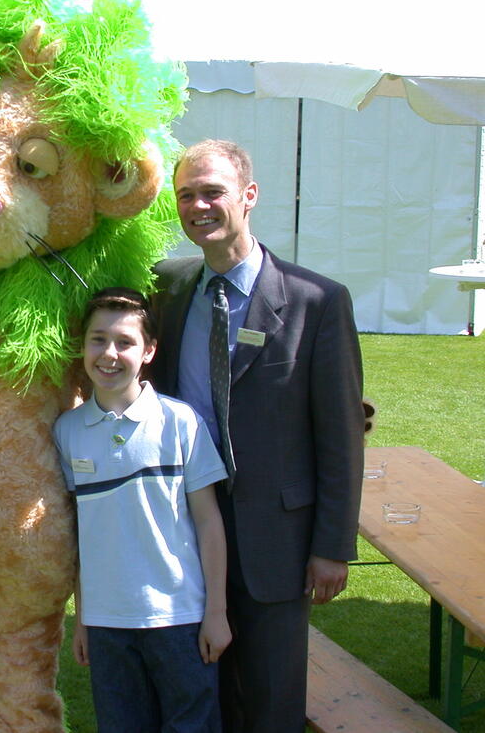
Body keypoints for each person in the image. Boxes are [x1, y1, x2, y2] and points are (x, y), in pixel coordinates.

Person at [150, 140, 364, 732]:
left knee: (270, 699)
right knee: (200, 689)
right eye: (187, 194)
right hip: (185, 530)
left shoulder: (316, 301)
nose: (199, 205)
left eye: (212, 192)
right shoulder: (167, 290)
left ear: (248, 196)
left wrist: (331, 545)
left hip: (278, 541)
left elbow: (342, 437)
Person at [54, 287, 230, 733]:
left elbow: (209, 523)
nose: (109, 353)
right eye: (98, 339)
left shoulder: (179, 421)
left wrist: (216, 612)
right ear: (82, 345)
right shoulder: (67, 431)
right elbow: (79, 532)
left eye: (125, 342)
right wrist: (84, 618)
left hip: (180, 619)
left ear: (149, 351)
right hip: (107, 624)